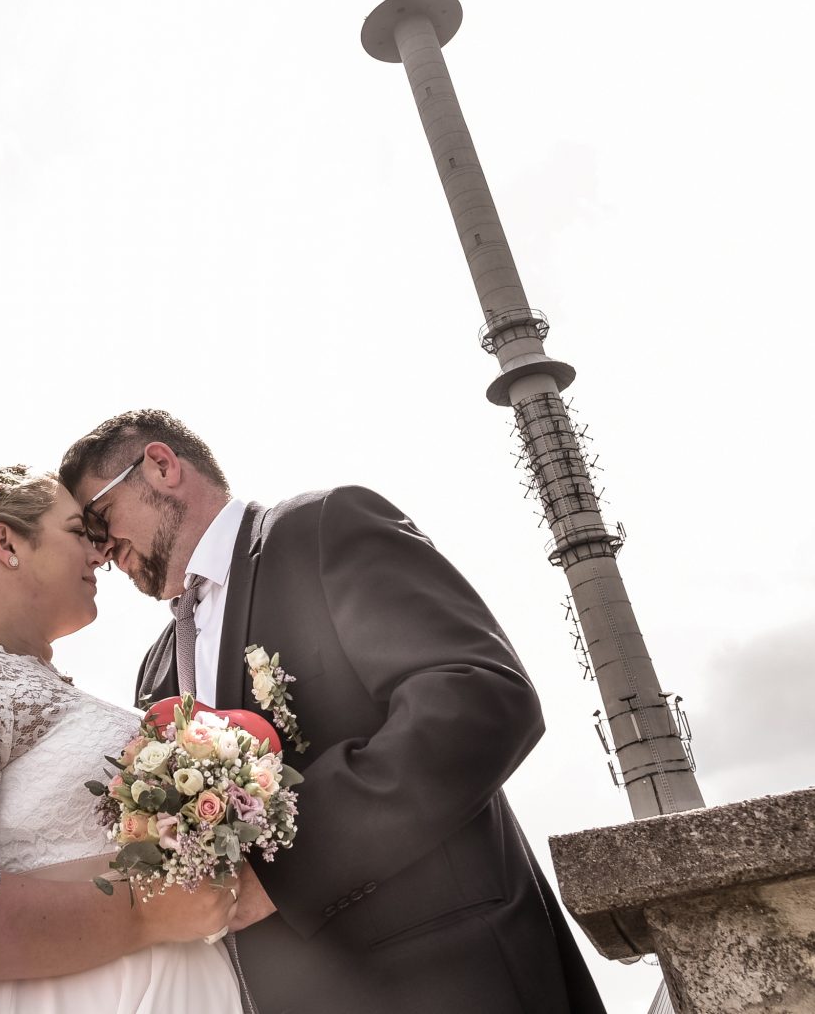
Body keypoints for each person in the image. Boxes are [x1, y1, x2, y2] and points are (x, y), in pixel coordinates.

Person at [61, 410, 607, 1014]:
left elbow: (478, 698)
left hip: (449, 977)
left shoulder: (322, 529)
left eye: (98, 517)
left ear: (161, 466)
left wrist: (283, 871)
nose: (103, 551)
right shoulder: (158, 668)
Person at [0, 464, 244, 1013]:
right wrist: (141, 913)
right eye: (77, 533)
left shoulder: (71, 696)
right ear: (7, 543)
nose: (99, 555)